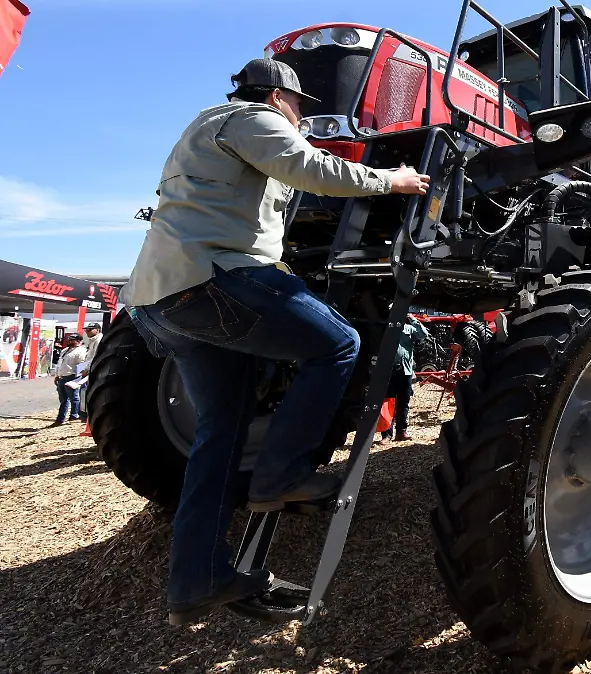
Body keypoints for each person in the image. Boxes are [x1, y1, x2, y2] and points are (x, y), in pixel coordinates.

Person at [120, 58, 431, 626]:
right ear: (280, 98)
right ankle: (281, 475)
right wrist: (395, 180)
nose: (302, 119)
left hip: (158, 301)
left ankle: (197, 580)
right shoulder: (253, 118)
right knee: (336, 344)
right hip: (212, 278)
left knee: (220, 434)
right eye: (300, 110)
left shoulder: (201, 132)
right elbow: (312, 169)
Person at [381, 315, 430, 442]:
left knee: (404, 403)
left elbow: (423, 334)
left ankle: (401, 432)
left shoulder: (408, 328)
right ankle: (386, 434)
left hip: (405, 370)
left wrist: (413, 319)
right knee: (388, 402)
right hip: (389, 371)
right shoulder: (386, 327)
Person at [52, 333, 89, 425]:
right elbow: (60, 364)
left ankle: (74, 416)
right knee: (63, 399)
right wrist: (57, 375)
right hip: (62, 376)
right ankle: (60, 418)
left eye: (72, 340)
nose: (69, 341)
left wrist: (78, 378)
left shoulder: (81, 351)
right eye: (69, 339)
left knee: (74, 398)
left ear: (78, 341)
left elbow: (82, 365)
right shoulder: (65, 350)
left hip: (72, 376)